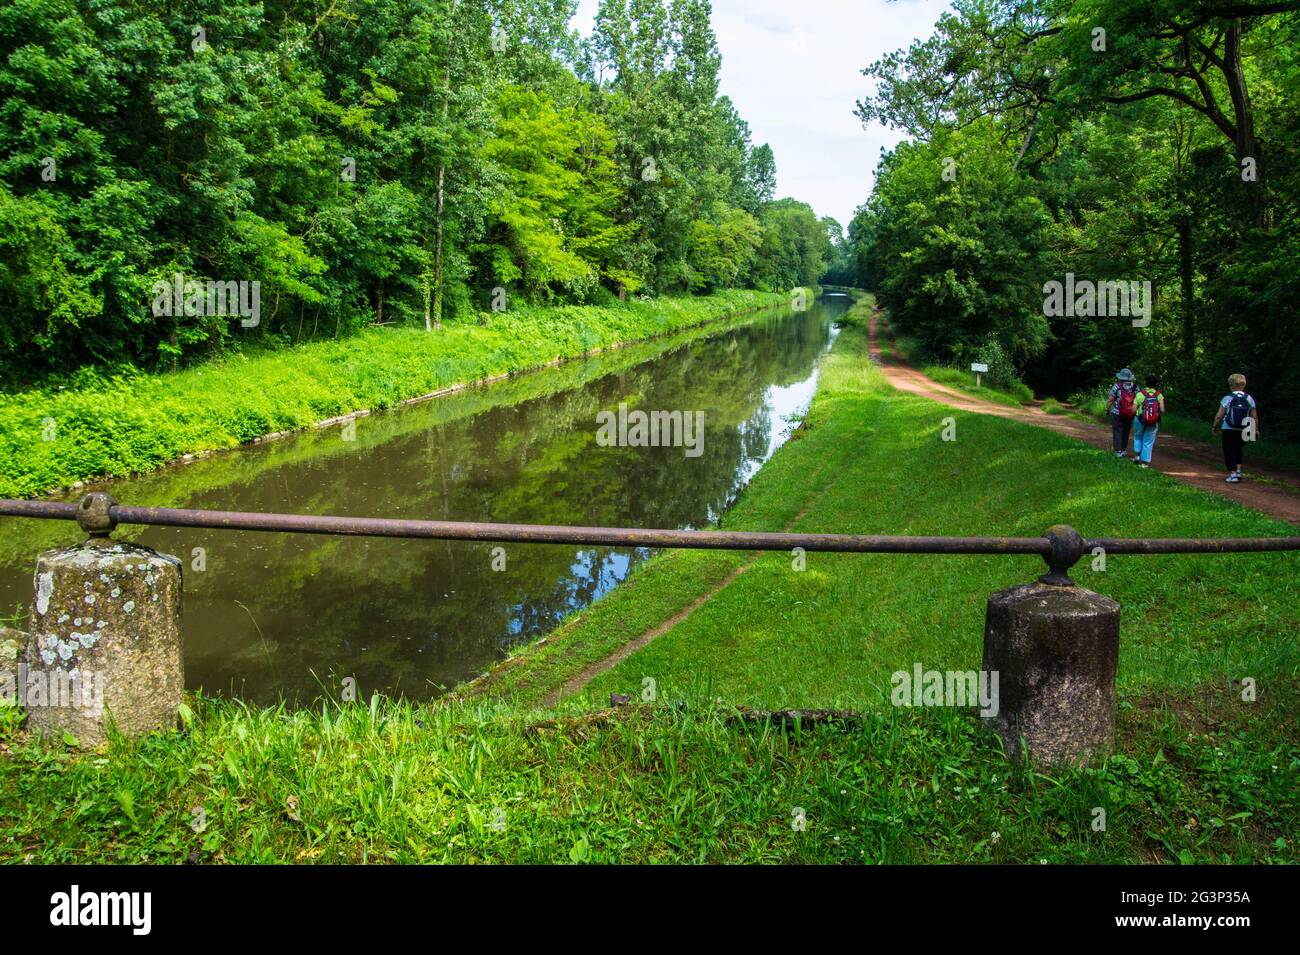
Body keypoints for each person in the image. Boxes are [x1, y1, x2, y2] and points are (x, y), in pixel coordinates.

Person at [1212, 373, 1259, 483]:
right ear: (1244, 385)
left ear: (1231, 385)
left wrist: (1215, 426)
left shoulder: (1228, 398)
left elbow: (1219, 415)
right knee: (1238, 449)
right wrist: (1255, 430)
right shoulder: (1249, 398)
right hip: (1244, 428)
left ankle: (1232, 474)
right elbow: (1254, 417)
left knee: (1229, 449)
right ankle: (1238, 471)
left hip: (1228, 428)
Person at [1131, 375, 1164, 468]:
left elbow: (1133, 410)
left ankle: (1137, 456)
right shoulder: (1159, 395)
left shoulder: (1140, 394)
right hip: (1153, 421)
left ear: (1146, 383)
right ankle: (1145, 463)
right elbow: (1162, 410)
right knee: (1148, 440)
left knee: (1138, 436)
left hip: (1139, 420)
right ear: (1155, 384)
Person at [1105, 368, 1138, 458]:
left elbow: (1111, 399)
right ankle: (1123, 450)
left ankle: (1118, 451)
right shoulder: (1135, 387)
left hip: (1117, 413)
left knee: (1117, 431)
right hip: (1130, 414)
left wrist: (1107, 409)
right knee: (1126, 431)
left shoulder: (1117, 386)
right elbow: (1138, 400)